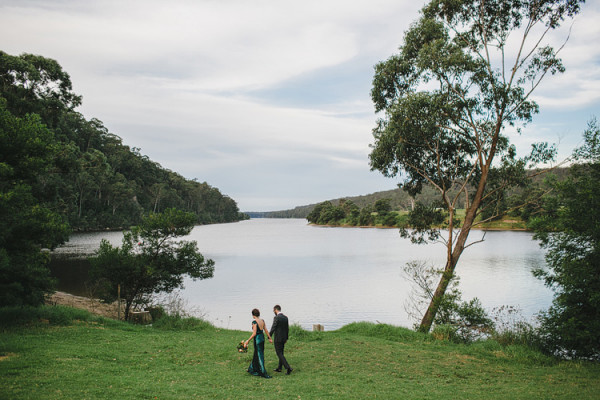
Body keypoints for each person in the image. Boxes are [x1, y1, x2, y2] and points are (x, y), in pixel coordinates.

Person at [244, 308, 272, 378]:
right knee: (256, 353)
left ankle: (263, 372)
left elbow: (254, 333)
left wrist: (247, 340)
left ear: (253, 315)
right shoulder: (262, 321)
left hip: (257, 339)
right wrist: (269, 338)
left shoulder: (254, 322)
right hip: (262, 338)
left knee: (260, 355)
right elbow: (265, 330)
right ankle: (251, 368)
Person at [270, 304, 292, 374]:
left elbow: (273, 327)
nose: (274, 311)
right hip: (283, 338)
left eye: (274, 310)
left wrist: (269, 336)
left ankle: (288, 367)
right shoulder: (285, 317)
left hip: (278, 338)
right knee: (281, 352)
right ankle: (279, 368)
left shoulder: (276, 318)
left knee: (279, 353)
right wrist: (286, 338)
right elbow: (287, 329)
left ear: (276, 310)